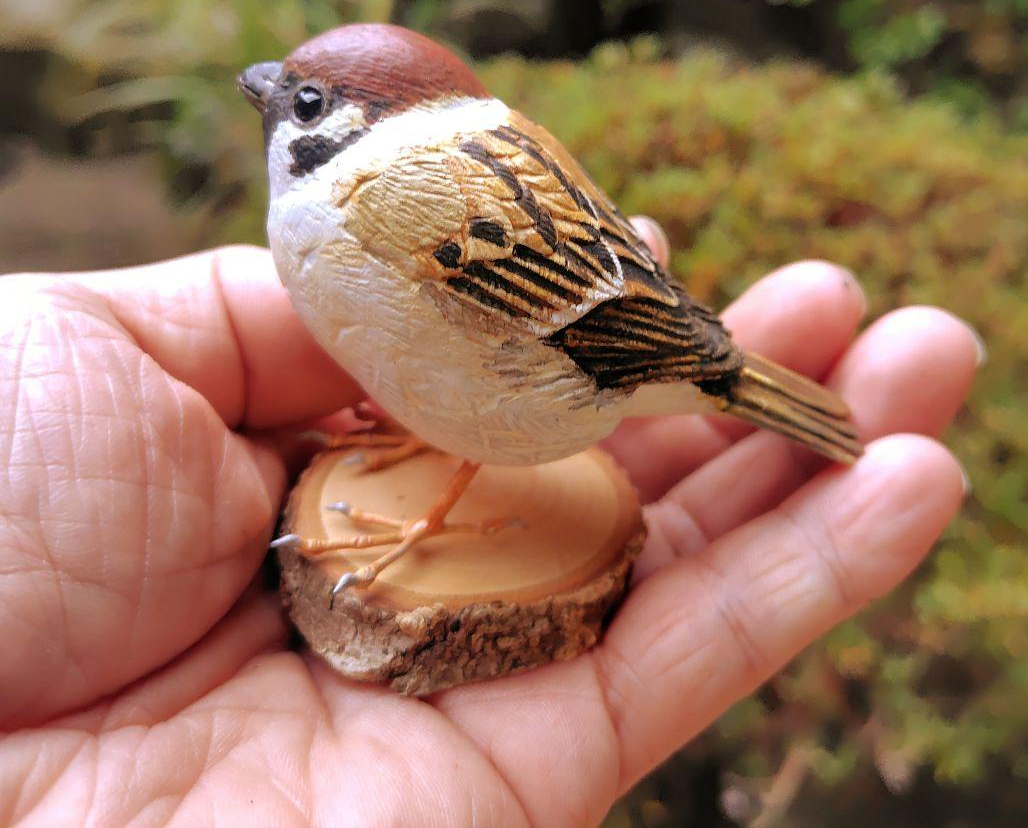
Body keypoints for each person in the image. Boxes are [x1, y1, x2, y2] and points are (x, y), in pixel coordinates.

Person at [0, 226, 978, 825]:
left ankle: (429, 508)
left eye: (303, 109)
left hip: (578, 372)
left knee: (478, 410)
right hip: (583, 363)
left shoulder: (382, 214)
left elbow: (512, 348)